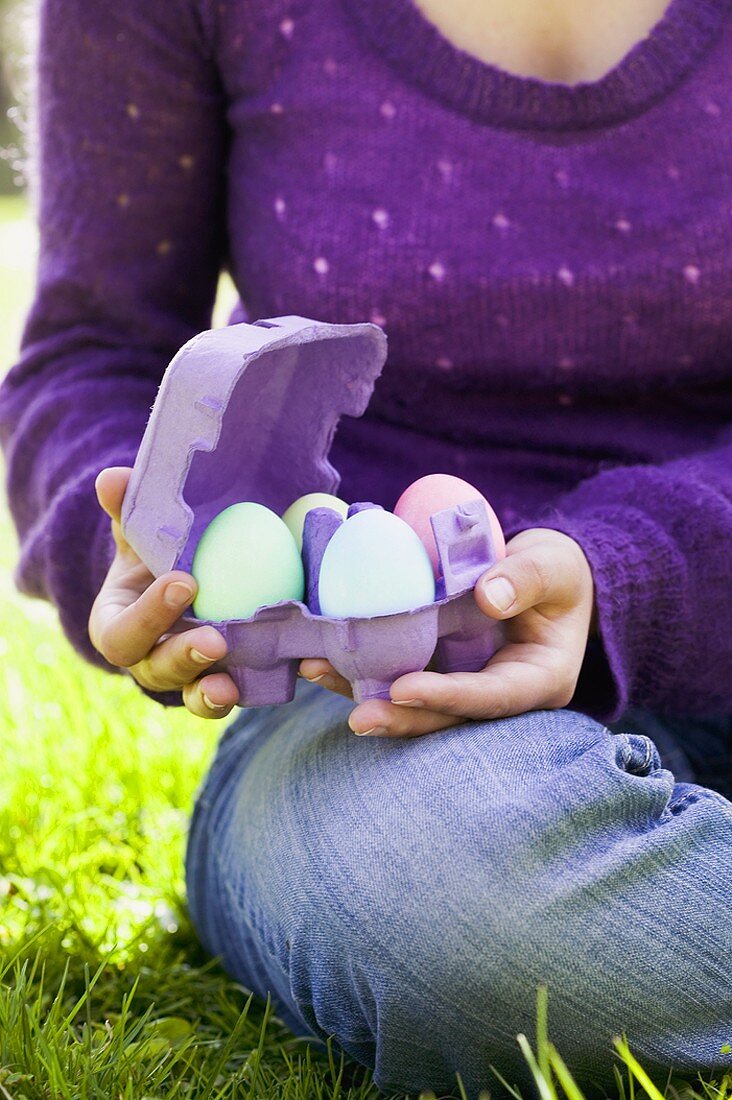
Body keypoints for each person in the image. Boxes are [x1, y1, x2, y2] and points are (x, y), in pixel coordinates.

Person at [1, 0, 731, 1095]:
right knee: (474, 917)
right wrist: (150, 540)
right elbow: (93, 356)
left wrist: (627, 569)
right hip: (374, 716)